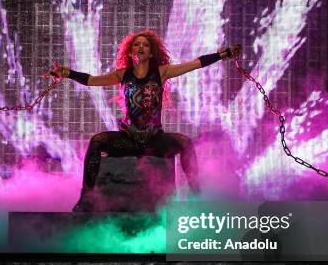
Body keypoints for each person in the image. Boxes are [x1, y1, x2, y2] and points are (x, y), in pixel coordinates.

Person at [49, 30, 241, 211]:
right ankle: (86, 198)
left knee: (185, 142)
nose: (140, 47)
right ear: (131, 51)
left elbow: (195, 63)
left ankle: (196, 197)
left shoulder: (162, 72)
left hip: (154, 140)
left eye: (145, 45)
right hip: (128, 139)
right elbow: (91, 81)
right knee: (97, 141)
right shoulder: (122, 75)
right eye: (137, 44)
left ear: (151, 52)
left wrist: (223, 54)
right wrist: (66, 73)